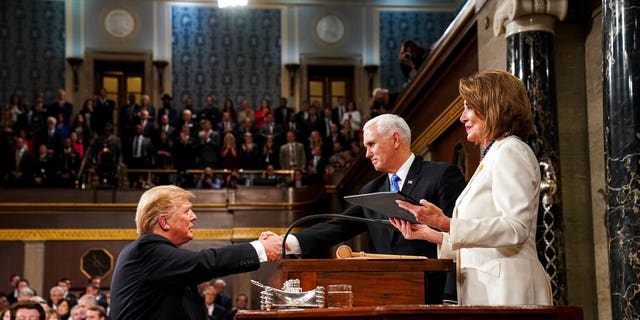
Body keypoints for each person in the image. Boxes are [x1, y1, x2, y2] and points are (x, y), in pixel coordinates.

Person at [390, 70, 552, 306]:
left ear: (492, 107)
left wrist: (446, 223)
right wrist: (432, 234)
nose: (462, 118)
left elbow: (516, 228)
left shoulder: (510, 151)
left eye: (469, 108)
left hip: (509, 291)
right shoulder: (494, 154)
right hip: (489, 292)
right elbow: (479, 243)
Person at [277, 114, 466, 304]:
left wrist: (450, 298)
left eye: (371, 144)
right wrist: (288, 242)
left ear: (395, 139)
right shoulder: (371, 190)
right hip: (386, 296)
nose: (367, 154)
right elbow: (339, 226)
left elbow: (459, 237)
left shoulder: (441, 175)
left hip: (436, 298)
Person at [109, 185, 282, 320]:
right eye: (186, 211)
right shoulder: (146, 249)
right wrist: (260, 248)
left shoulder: (157, 255)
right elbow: (204, 262)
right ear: (164, 222)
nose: (194, 217)